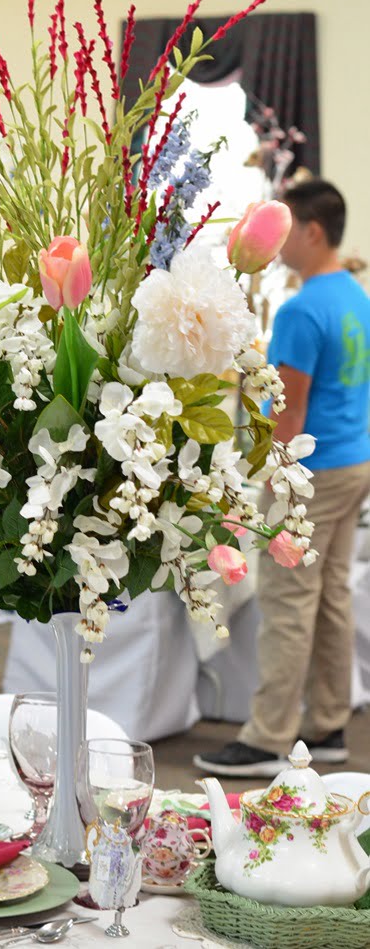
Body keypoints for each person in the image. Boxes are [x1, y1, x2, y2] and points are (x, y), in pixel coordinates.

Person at [195, 179, 370, 776]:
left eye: (285, 228)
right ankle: (326, 726)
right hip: (353, 462)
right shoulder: (355, 295)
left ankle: (268, 737)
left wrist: (272, 476)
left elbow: (289, 411)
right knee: (332, 597)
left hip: (310, 474)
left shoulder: (300, 309)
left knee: (289, 599)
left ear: (313, 232)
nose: (273, 242)